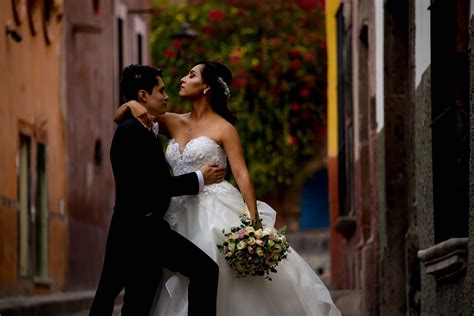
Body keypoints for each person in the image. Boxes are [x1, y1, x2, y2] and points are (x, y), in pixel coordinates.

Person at [115, 61, 341, 316]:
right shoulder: (169, 121)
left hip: (215, 209)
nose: (182, 79)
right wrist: (130, 104)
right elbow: (124, 119)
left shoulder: (225, 129)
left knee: (216, 272)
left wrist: (254, 225)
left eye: (191, 75)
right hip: (174, 211)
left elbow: (242, 174)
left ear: (206, 87)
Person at [89, 64, 225, 316]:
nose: (166, 96)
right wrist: (199, 177)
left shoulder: (139, 127)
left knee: (132, 300)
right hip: (142, 231)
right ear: (143, 96)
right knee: (206, 270)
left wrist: (127, 106)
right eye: (161, 91)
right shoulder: (133, 133)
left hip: (137, 229)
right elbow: (156, 188)